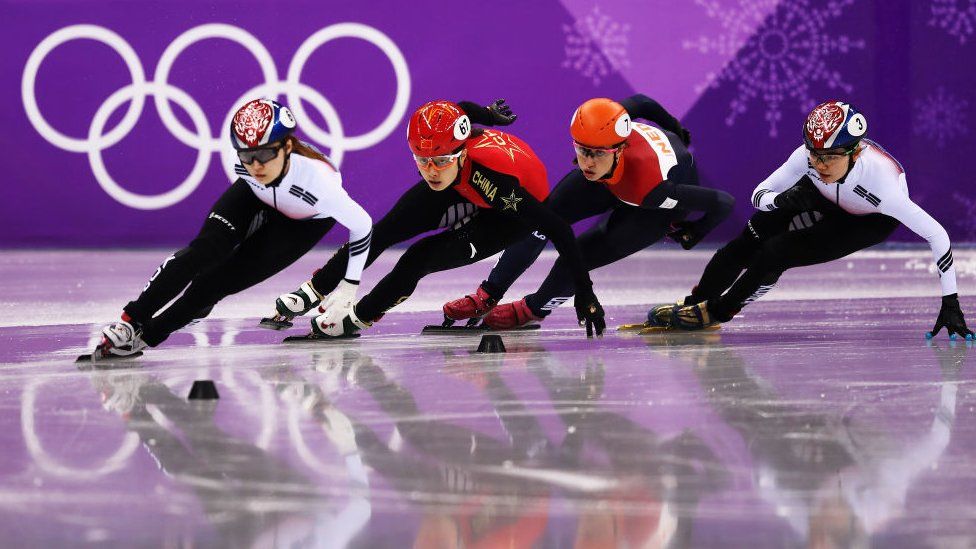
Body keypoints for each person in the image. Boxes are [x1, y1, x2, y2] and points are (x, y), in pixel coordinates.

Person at [276, 98, 606, 338]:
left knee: (418, 257)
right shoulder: (445, 157)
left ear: (461, 152)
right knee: (384, 231)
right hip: (460, 182)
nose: (431, 171)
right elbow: (462, 108)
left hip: (506, 213)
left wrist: (585, 291)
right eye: (423, 160)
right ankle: (314, 290)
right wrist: (488, 114)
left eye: (441, 160)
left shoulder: (496, 184)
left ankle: (359, 317)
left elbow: (559, 228)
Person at [650, 100, 973, 339]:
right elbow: (760, 193)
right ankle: (696, 302)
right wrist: (781, 200)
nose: (819, 163)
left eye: (830, 157)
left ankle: (717, 312)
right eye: (814, 154)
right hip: (819, 194)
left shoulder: (883, 186)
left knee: (776, 253)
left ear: (855, 153)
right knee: (750, 239)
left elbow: (937, 235)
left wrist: (950, 301)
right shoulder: (808, 160)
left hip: (865, 219)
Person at [90, 98, 372, 360]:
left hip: (302, 223)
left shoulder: (319, 184)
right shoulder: (242, 164)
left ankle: (144, 339)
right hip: (255, 196)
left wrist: (349, 287)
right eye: (247, 156)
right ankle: (130, 321)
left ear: (286, 147)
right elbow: (251, 173)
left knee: (214, 285)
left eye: (264, 154)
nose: (256, 165)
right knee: (202, 253)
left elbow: (363, 226)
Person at [441, 94, 734, 329]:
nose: (587, 162)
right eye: (582, 150)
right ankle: (488, 294)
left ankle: (534, 308)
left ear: (619, 149)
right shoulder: (609, 124)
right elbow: (642, 101)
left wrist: (696, 230)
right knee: (537, 220)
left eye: (596, 154)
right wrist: (674, 126)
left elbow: (723, 202)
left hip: (651, 206)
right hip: (614, 179)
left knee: (581, 253)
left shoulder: (652, 188)